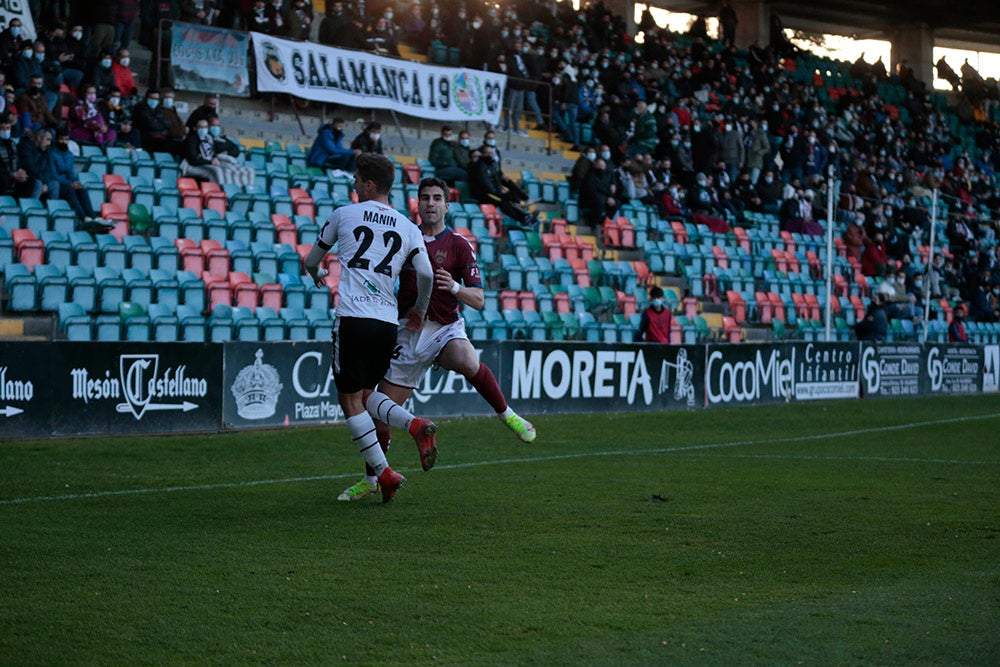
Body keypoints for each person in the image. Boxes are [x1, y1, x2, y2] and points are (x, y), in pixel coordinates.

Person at [337, 177, 537, 501]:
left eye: (436, 198)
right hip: (407, 330)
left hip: (444, 328)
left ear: (447, 205)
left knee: (466, 358)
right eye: (424, 198)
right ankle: (373, 479)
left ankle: (508, 415)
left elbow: (480, 299)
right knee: (379, 414)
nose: (430, 203)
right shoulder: (403, 235)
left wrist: (456, 288)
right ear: (418, 203)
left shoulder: (458, 244)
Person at [303, 153, 437, 504]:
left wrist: (317, 274)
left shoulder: (344, 214)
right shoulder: (409, 228)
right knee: (366, 396)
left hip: (352, 318)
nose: (353, 185)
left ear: (370, 184)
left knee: (349, 400)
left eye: (357, 180)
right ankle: (413, 424)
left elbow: (311, 260)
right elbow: (426, 274)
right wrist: (420, 309)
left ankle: (385, 473)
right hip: (386, 323)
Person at [468, 144, 538, 229]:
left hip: (493, 192)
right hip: (483, 194)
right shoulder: (479, 166)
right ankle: (524, 218)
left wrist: (500, 190)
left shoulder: (491, 165)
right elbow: (485, 184)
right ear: (482, 154)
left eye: (491, 153)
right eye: (487, 153)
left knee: (508, 196)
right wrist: (499, 192)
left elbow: (497, 180)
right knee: (502, 200)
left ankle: (525, 214)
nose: (489, 155)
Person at [180, 118, 255, 185]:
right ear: (195, 128)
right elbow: (193, 160)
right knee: (217, 171)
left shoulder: (209, 138)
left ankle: (239, 190)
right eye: (201, 127)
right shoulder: (191, 140)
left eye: (205, 127)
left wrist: (215, 158)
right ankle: (221, 193)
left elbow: (213, 153)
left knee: (232, 169)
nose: (203, 129)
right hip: (193, 166)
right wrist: (211, 162)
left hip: (208, 163)